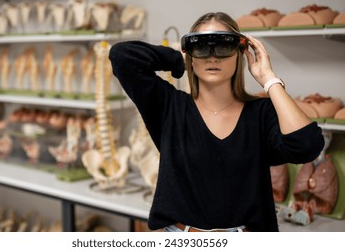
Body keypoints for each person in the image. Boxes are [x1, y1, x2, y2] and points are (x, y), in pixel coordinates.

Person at [108, 12, 324, 232]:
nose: (212, 57)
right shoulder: (169, 108)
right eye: (202, 46)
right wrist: (183, 58)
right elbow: (122, 57)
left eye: (223, 46)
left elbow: (307, 146)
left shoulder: (260, 113)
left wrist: (269, 79)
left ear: (239, 53)